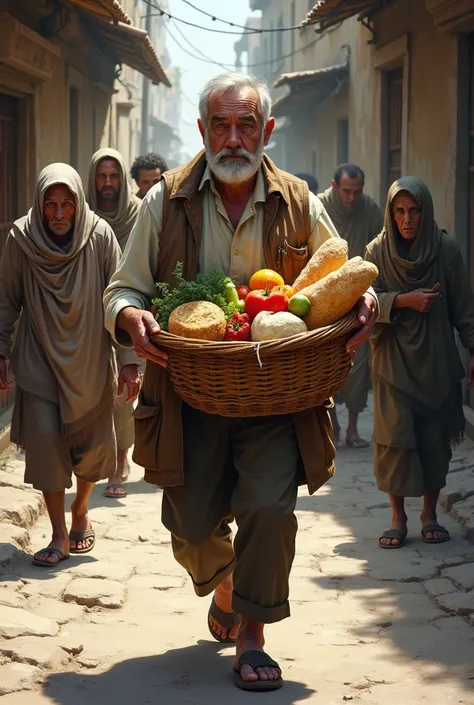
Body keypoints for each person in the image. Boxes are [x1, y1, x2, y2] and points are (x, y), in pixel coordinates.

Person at [103, 72, 377, 691]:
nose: (233, 138)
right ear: (201, 130)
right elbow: (124, 286)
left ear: (267, 131)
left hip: (278, 394)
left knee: (270, 510)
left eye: (246, 124)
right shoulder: (162, 201)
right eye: (220, 125)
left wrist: (368, 305)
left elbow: (346, 275)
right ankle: (226, 585)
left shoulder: (300, 201)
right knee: (191, 527)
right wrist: (128, 315)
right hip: (188, 396)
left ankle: (252, 634)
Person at [0, 164, 139, 566]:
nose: (59, 214)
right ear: (40, 206)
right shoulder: (21, 240)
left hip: (92, 359)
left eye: (67, 205)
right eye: (51, 205)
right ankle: (59, 532)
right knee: (45, 441)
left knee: (94, 450)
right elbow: (6, 299)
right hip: (38, 357)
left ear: (78, 205)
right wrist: (1, 349)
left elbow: (122, 298)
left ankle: (81, 509)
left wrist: (128, 360)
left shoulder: (100, 237)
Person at [365, 177, 474, 549]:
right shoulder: (376, 253)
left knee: (433, 441)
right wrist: (402, 301)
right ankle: (398, 517)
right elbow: (362, 304)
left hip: (437, 361)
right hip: (393, 363)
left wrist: (473, 350)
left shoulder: (446, 250)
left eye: (414, 210)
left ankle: (430, 515)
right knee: (394, 441)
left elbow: (464, 307)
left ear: (425, 212)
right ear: (391, 214)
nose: (407, 218)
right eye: (399, 211)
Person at [87, 148, 141, 498]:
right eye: (101, 176)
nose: (108, 183)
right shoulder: (84, 215)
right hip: (89, 311)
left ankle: (120, 463)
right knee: (95, 392)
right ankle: (97, 461)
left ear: (122, 179)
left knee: (125, 390)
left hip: (127, 309)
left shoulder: (137, 213)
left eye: (113, 176)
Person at [319, 164, 383, 448]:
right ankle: (333, 423)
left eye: (357, 191)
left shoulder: (369, 209)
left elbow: (380, 247)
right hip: (323, 298)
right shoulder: (318, 206)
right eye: (346, 191)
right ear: (334, 187)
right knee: (324, 366)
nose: (352, 197)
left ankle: (354, 428)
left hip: (359, 297)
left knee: (357, 367)